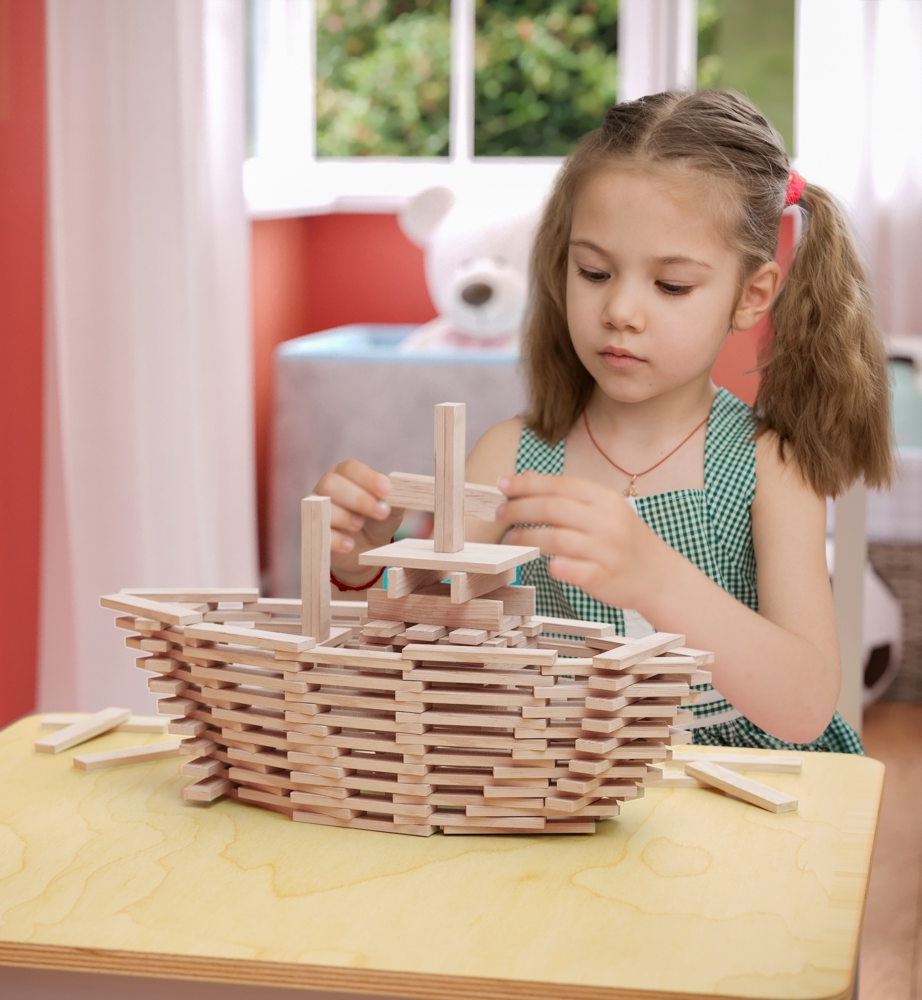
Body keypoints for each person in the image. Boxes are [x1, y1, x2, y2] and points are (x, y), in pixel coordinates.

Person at [312, 90, 892, 753]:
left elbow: (805, 707)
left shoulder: (768, 466)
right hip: (552, 791)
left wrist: (655, 577)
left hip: (730, 798)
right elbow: (419, 644)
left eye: (670, 286)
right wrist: (365, 563)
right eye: (594, 271)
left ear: (750, 295)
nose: (620, 310)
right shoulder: (511, 457)